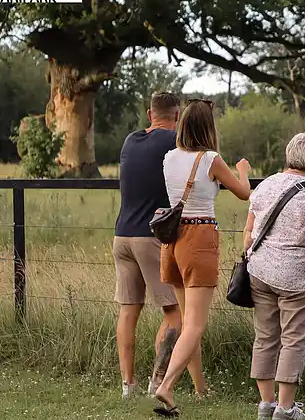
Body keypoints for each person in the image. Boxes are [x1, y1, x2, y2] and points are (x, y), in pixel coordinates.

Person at [152, 98, 252, 417]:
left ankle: (199, 387)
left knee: (186, 320)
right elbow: (243, 192)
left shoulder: (169, 158)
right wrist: (243, 171)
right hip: (199, 236)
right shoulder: (210, 158)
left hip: (173, 240)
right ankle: (166, 387)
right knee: (196, 323)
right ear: (208, 128)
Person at [112, 91, 207, 400]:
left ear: (149, 114)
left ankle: (128, 384)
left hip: (122, 234)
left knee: (128, 311)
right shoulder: (172, 142)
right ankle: (159, 381)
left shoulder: (130, 141)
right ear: (177, 117)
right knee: (175, 314)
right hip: (150, 237)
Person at [244, 131, 305, 420]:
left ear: (287, 156)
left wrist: (253, 258)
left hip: (259, 273)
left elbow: (248, 232)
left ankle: (266, 404)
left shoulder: (264, 186)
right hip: (296, 280)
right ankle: (285, 409)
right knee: (294, 340)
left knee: (265, 336)